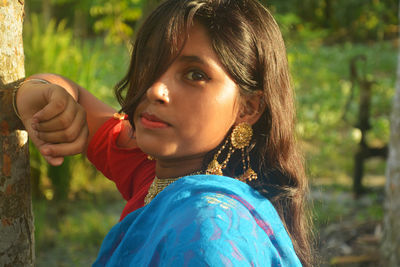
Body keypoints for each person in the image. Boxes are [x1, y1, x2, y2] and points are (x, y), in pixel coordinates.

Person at [15, 0, 313, 266]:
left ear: (247, 108)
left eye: (195, 75)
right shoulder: (153, 172)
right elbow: (68, 93)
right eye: (152, 65)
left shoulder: (208, 232)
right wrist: (35, 94)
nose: (155, 89)